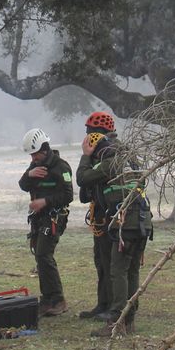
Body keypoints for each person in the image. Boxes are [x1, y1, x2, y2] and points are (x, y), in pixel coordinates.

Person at [76, 111, 153, 334]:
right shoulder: (127, 157)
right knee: (130, 270)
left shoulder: (110, 159)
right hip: (142, 220)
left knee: (118, 269)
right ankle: (129, 320)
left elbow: (83, 178)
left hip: (126, 222)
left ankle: (118, 320)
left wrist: (86, 156)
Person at [18, 128, 72, 316]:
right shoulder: (33, 166)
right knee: (40, 256)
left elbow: (68, 195)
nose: (33, 158)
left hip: (55, 217)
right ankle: (48, 299)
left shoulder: (61, 167)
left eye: (35, 154)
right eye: (31, 155)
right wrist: (29, 175)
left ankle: (58, 299)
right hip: (39, 219)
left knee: (44, 254)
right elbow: (23, 185)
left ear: (44, 150)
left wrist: (44, 201)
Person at [75, 111, 118, 320]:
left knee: (110, 262)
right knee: (101, 261)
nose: (87, 135)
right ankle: (103, 304)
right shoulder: (101, 153)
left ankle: (113, 307)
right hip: (100, 215)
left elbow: (83, 178)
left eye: (90, 132)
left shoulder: (112, 153)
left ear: (100, 133)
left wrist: (85, 155)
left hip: (112, 216)